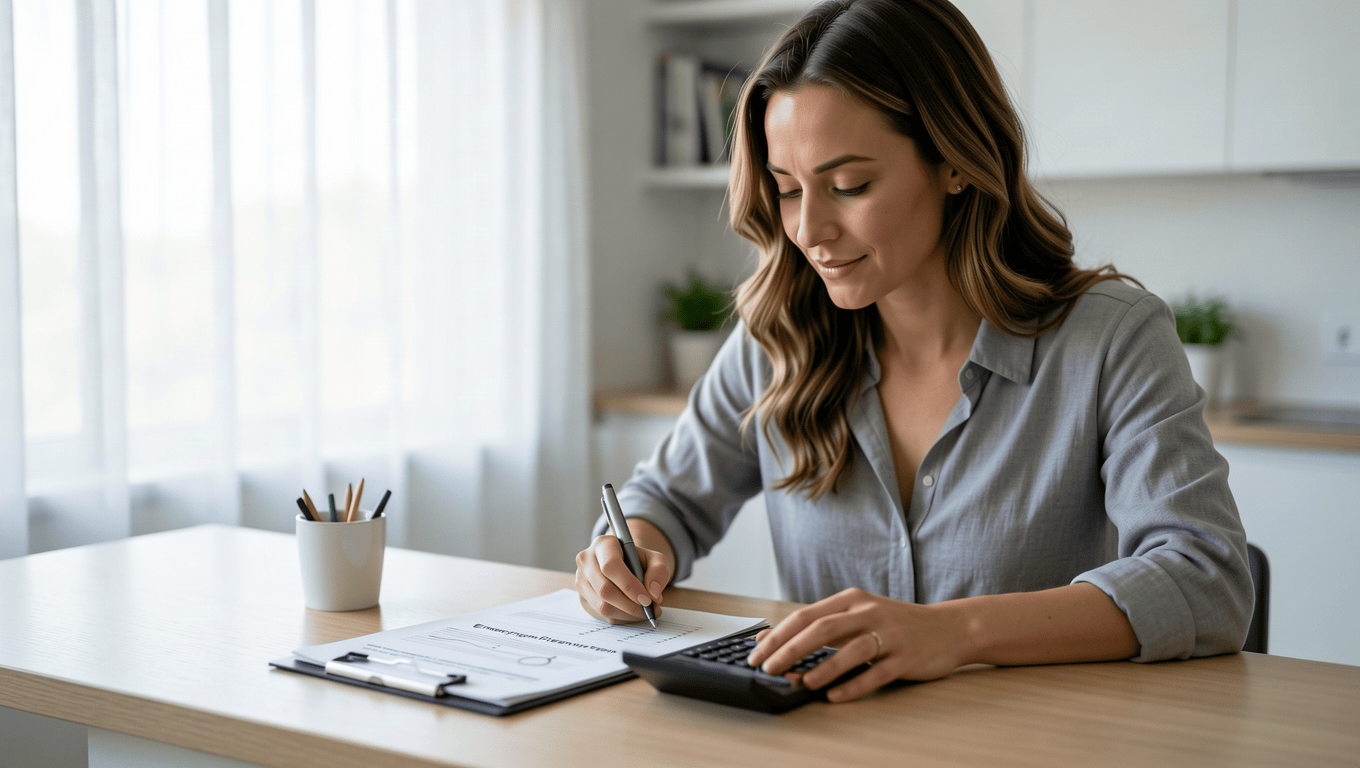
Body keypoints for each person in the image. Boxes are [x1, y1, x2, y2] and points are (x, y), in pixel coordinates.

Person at [575, 0, 1252, 703]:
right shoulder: (778, 335)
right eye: (786, 190)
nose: (810, 230)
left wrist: (956, 632)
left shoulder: (1112, 338)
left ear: (954, 162)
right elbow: (664, 499)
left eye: (849, 186)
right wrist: (628, 553)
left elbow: (1207, 578)